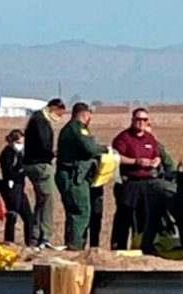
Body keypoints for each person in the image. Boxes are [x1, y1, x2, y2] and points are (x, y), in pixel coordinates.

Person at [55, 102, 108, 250]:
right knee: (81, 211)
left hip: (72, 175)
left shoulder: (71, 128)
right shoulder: (76, 128)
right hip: (73, 177)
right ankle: (76, 247)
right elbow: (90, 148)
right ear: (85, 114)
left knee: (75, 212)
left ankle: (73, 244)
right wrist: (104, 149)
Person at [110, 108, 163, 254]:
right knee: (124, 216)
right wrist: (136, 161)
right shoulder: (123, 138)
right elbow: (117, 157)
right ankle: (118, 247)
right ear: (132, 120)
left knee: (144, 216)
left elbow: (157, 155)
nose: (141, 123)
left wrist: (156, 162)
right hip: (129, 182)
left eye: (144, 120)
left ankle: (141, 246)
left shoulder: (150, 138)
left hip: (146, 182)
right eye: (138, 119)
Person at [23, 98, 66, 249]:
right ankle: (43, 237)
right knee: (47, 201)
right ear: (54, 108)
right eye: (60, 113)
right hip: (40, 164)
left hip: (33, 163)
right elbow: (42, 143)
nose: (59, 117)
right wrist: (52, 153)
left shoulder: (35, 119)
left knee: (42, 200)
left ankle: (35, 236)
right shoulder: (40, 121)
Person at [0, 129, 33, 246]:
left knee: (28, 217)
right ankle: (9, 241)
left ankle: (30, 243)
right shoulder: (7, 153)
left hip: (20, 189)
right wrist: (22, 170)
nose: (21, 145)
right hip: (12, 189)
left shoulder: (20, 154)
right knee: (12, 216)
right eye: (19, 142)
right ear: (12, 142)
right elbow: (9, 172)